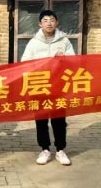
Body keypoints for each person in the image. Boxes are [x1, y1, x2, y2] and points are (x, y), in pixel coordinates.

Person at [21, 9, 75, 166]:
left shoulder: (64, 41)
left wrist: (64, 59)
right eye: (45, 20)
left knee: (59, 120)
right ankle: (44, 149)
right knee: (41, 120)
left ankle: (60, 150)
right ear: (40, 24)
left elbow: (74, 61)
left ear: (57, 22)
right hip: (40, 86)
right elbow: (25, 63)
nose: (49, 23)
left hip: (59, 87)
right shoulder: (33, 43)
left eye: (52, 20)